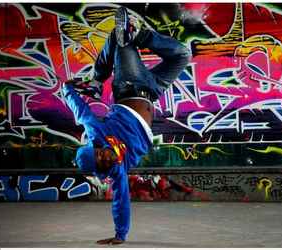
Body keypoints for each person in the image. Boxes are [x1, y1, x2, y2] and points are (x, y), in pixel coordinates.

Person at [62, 7, 191, 245]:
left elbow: (81, 112)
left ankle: (98, 79)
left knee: (121, 39)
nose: (107, 156)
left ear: (96, 147)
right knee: (183, 54)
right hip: (153, 91)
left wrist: (67, 90)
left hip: (129, 85)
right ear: (103, 169)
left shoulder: (96, 133)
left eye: (100, 153)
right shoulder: (116, 170)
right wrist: (120, 235)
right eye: (103, 161)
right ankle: (139, 39)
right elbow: (121, 200)